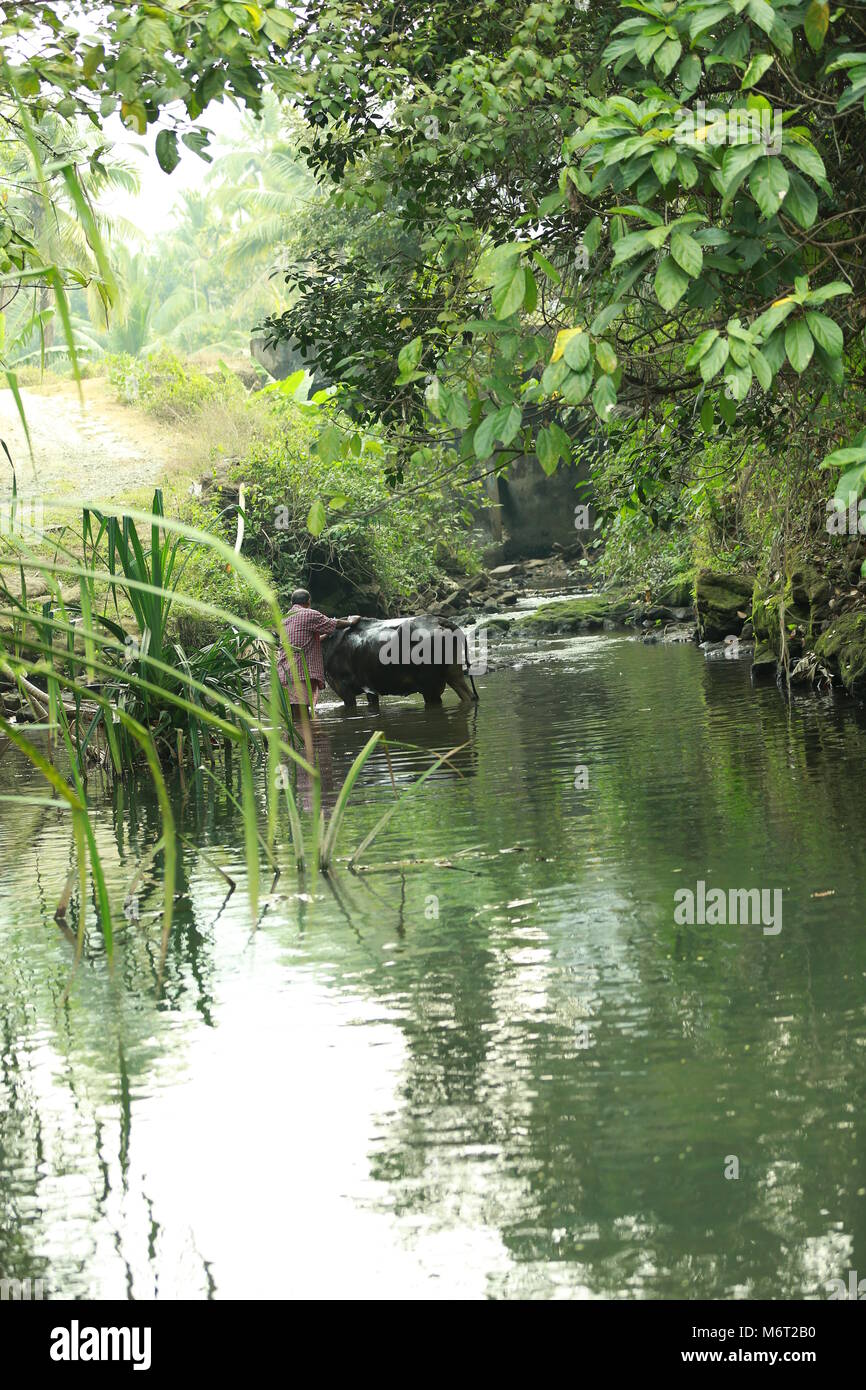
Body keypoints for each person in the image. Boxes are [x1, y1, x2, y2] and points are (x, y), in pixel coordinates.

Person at [277, 589, 359, 712]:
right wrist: (351, 622)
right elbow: (334, 623)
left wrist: (323, 637)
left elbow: (301, 641)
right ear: (308, 601)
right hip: (300, 672)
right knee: (302, 716)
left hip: (285, 673)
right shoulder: (309, 614)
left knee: (296, 714)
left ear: (291, 603)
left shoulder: (285, 619)